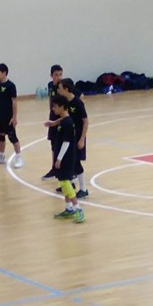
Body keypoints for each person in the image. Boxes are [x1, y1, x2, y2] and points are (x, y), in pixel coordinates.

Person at [46, 95, 84, 223]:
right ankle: (69, 208)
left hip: (66, 158)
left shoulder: (67, 123)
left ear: (62, 107)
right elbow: (63, 120)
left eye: (55, 106)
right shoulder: (64, 120)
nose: (53, 109)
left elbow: (66, 142)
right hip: (64, 157)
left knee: (65, 182)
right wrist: (53, 123)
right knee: (64, 181)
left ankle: (78, 208)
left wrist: (59, 159)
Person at [57, 78, 89, 198]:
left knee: (76, 162)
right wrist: (54, 123)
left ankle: (83, 189)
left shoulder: (78, 103)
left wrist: (82, 139)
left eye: (60, 88)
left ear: (66, 89)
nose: (58, 91)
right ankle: (69, 184)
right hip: (70, 136)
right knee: (69, 161)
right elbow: (65, 117)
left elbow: (85, 121)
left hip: (78, 137)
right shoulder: (65, 102)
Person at [0, 63, 23, 168]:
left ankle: (19, 157)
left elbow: (14, 101)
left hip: (8, 116)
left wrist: (14, 117)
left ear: (4, 73)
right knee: (0, 136)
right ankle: (1, 156)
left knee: (12, 137)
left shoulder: (11, 86)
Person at [41, 64, 63, 180]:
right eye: (56, 75)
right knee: (53, 145)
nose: (58, 77)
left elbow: (79, 96)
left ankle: (69, 169)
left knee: (63, 145)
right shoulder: (50, 85)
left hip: (62, 120)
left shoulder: (63, 87)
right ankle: (54, 169)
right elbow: (51, 100)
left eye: (60, 74)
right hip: (52, 118)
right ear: (51, 75)